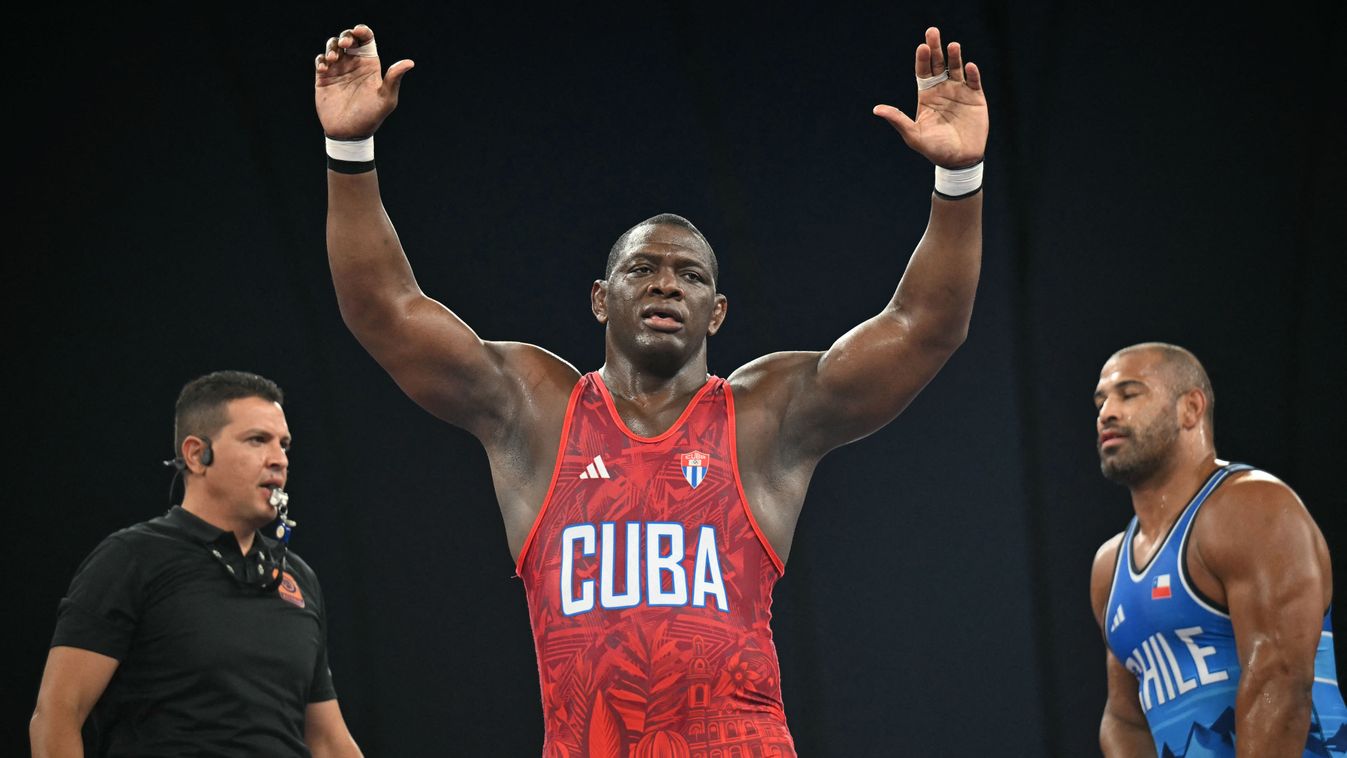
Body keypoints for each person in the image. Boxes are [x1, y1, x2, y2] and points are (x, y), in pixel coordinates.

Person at [315, 22, 986, 756]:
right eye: (643, 269)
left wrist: (957, 182)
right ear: (601, 298)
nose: (667, 281)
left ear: (717, 312)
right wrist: (350, 152)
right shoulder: (533, 410)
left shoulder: (766, 415)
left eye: (691, 275)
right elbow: (385, 310)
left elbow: (924, 327)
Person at [30, 371, 361, 758]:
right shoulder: (132, 558)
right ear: (196, 454)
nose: (279, 460)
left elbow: (327, 741)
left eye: (284, 445)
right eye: (257, 440)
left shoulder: (297, 578)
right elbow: (57, 713)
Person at [1089, 343, 1347, 757]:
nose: (1107, 412)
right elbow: (1124, 718)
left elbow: (1278, 679)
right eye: (1101, 401)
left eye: (1129, 394)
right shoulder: (1110, 567)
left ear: (1190, 408)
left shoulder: (1251, 507)